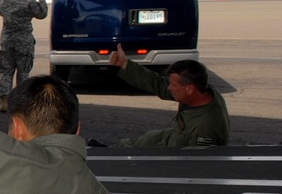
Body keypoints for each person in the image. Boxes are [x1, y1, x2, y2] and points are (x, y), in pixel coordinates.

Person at [95, 44, 230, 147]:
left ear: (189, 88)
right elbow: (157, 83)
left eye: (173, 85)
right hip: (176, 135)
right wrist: (125, 64)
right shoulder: (200, 92)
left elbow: (193, 163)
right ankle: (108, 151)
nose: (169, 88)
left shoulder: (205, 127)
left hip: (180, 152)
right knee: (148, 138)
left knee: (147, 150)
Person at [0, 0, 49, 113]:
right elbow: (42, 14)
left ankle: (4, 100)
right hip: (24, 41)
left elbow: (0, 10)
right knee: (23, 72)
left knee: (6, 71)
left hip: (7, 40)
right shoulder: (29, 2)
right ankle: (20, 103)